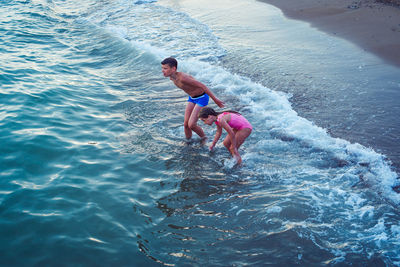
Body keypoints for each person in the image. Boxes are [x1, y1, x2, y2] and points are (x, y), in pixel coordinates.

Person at [161, 57, 224, 141]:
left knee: (192, 125)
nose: (162, 70)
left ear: (173, 69)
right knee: (186, 125)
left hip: (202, 98)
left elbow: (203, 86)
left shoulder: (183, 78)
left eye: (165, 68)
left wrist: (216, 100)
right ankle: (188, 142)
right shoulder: (172, 77)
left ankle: (205, 139)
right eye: (162, 68)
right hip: (192, 98)